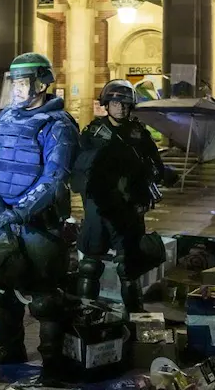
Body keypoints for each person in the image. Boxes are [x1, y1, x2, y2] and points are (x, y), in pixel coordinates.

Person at [0, 53, 78, 383]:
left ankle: (52, 365)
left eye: (23, 83)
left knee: (45, 299)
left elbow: (54, 178)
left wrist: (19, 210)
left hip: (40, 226)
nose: (17, 89)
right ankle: (10, 353)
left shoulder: (58, 124)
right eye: (14, 83)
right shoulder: (6, 118)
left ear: (42, 83)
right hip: (6, 222)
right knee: (3, 294)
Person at [73, 79, 170, 313]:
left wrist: (156, 179)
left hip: (129, 208)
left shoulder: (138, 133)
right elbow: (80, 168)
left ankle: (136, 317)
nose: (121, 108)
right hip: (99, 207)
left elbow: (155, 164)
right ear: (107, 104)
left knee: (129, 268)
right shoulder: (94, 132)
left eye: (126, 103)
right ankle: (86, 313)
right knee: (89, 265)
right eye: (116, 102)